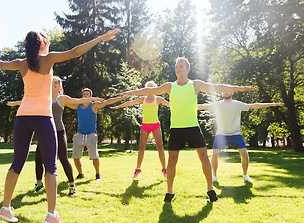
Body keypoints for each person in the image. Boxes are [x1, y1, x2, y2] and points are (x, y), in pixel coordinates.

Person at [0, 29, 118, 223]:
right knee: (51, 166)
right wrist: (100, 38)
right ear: (42, 44)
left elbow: (0, 64)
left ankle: (5, 207)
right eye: (47, 42)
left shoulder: (22, 63)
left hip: (22, 117)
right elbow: (74, 52)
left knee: (17, 163)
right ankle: (51, 215)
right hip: (42, 117)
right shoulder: (47, 59)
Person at [118, 57, 256, 203]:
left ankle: (210, 189)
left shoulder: (195, 84)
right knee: (172, 160)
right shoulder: (169, 86)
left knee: (203, 156)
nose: (178, 69)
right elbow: (150, 90)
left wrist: (239, 88)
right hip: (176, 128)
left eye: (181, 67)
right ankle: (169, 192)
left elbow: (218, 86)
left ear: (188, 69)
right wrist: (131, 92)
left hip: (193, 127)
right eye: (176, 67)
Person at [7, 76, 103, 196]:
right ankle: (39, 184)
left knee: (63, 158)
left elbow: (77, 101)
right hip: (44, 132)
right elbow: (28, 101)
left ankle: (72, 185)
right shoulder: (44, 97)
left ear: (60, 85)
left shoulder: (62, 98)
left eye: (57, 82)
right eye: (52, 82)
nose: (55, 84)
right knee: (38, 159)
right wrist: (15, 103)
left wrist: (93, 99)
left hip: (58, 131)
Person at [198, 92, 284, 182]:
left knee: (245, 154)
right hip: (221, 134)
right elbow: (201, 106)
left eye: (228, 91)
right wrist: (184, 105)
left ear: (232, 92)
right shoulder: (217, 104)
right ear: (222, 93)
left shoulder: (238, 104)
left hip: (235, 134)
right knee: (214, 155)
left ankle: (245, 175)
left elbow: (254, 105)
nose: (226, 93)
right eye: (224, 90)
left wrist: (273, 104)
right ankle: (214, 176)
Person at [110, 81, 170, 178]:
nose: (150, 88)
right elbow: (131, 102)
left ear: (155, 88)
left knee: (160, 146)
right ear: (145, 89)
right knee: (142, 146)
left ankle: (164, 169)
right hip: (145, 125)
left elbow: (170, 105)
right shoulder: (143, 98)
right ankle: (138, 169)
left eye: (152, 87)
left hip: (156, 125)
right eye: (148, 87)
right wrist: (119, 106)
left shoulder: (158, 99)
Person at [66, 88, 128, 180]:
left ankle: (98, 174)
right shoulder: (78, 105)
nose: (85, 96)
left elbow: (107, 102)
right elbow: (66, 102)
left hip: (91, 135)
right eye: (84, 94)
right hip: (79, 134)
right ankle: (80, 174)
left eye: (87, 94)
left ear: (90, 96)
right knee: (76, 156)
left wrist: (121, 98)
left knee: (94, 156)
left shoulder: (94, 105)